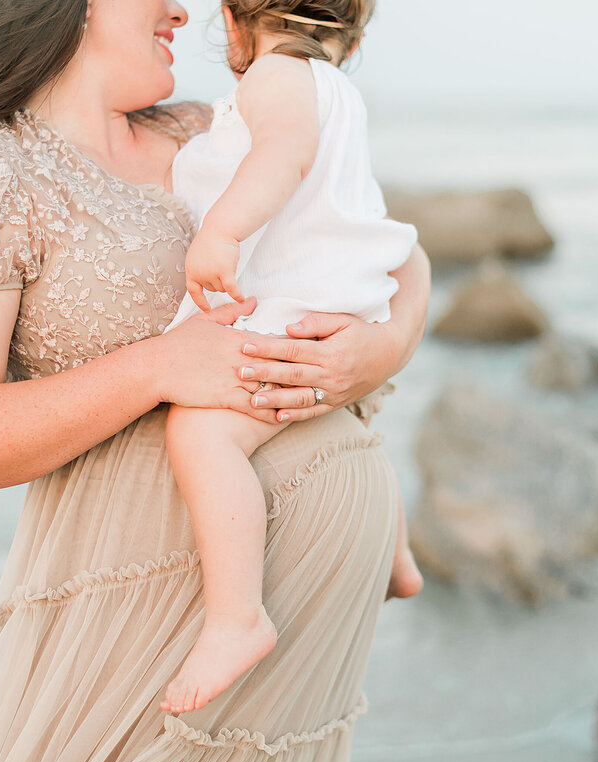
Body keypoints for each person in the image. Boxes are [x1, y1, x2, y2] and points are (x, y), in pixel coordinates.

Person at [0, 0, 429, 762]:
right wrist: (158, 368)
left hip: (306, 635)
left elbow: (385, 243)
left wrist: (383, 349)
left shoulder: (207, 130)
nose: (183, 8)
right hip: (141, 614)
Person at [159, 0, 422, 715]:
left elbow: (283, 152)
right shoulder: (338, 90)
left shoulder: (276, 74)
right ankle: (397, 554)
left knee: (201, 432)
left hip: (293, 303)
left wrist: (222, 229)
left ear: (236, 17)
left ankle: (238, 618)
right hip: (346, 300)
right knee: (355, 413)